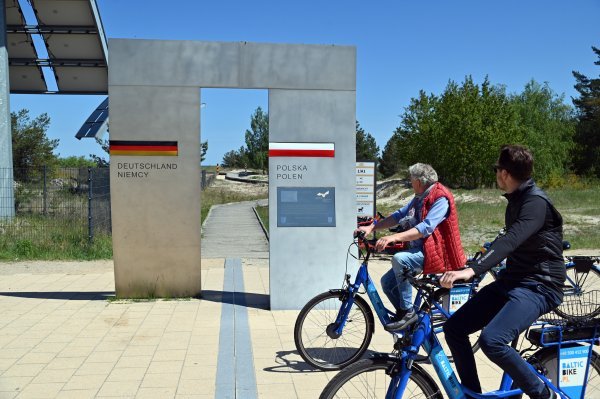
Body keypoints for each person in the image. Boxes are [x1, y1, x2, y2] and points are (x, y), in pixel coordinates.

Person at [441, 145, 565, 399]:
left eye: (497, 169)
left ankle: (544, 395)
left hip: (540, 285)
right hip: (514, 281)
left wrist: (473, 270)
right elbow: (504, 241)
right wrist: (466, 266)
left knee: (492, 340)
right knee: (454, 328)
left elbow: (512, 239)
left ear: (505, 173)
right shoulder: (518, 199)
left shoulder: (535, 202)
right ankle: (471, 395)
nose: (496, 174)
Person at [356, 163, 466, 330]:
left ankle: (408, 313)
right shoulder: (419, 197)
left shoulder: (440, 198)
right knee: (387, 283)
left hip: (436, 252)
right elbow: (399, 215)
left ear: (419, 182)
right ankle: (407, 321)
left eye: (411, 180)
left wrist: (393, 237)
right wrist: (371, 227)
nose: (410, 182)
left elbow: (426, 227)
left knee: (400, 259)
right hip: (421, 250)